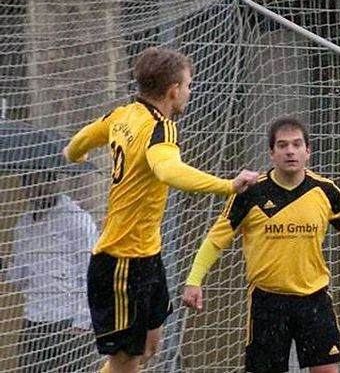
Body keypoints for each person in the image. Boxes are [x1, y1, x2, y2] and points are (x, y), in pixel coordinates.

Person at [62, 46, 260, 373]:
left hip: (147, 256)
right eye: (188, 85)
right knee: (126, 360)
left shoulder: (122, 114)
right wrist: (228, 185)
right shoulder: (160, 129)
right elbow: (169, 171)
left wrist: (74, 154)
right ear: (173, 90)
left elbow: (84, 137)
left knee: (151, 345)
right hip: (121, 261)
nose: (189, 92)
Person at [182, 117, 340, 373]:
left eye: (296, 144)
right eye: (283, 145)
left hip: (314, 300)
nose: (290, 151)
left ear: (308, 151)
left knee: (327, 370)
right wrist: (194, 280)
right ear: (272, 153)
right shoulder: (250, 194)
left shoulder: (325, 191)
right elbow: (215, 240)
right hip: (267, 302)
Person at [3, 171, 98, 373]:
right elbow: (22, 278)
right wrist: (3, 267)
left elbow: (93, 275)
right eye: (28, 183)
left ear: (52, 181)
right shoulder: (24, 224)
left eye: (39, 182)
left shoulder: (77, 220)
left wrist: (82, 323)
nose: (34, 189)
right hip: (34, 322)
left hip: (67, 325)